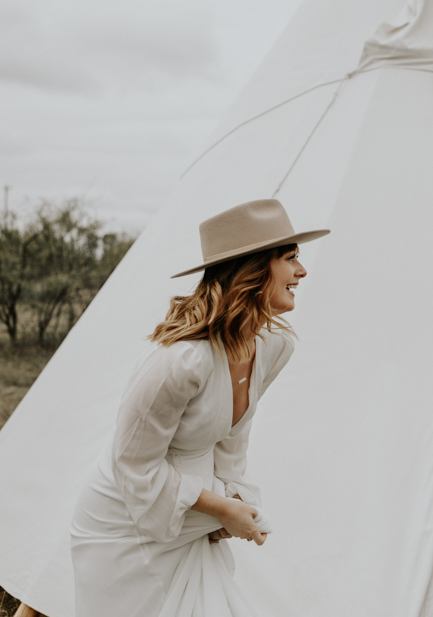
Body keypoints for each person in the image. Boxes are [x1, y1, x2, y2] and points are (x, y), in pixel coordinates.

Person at [70, 199, 329, 617]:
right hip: (125, 522)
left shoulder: (273, 347)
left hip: (192, 513)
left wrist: (233, 497)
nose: (302, 271)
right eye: (291, 258)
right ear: (253, 269)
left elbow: (232, 438)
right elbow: (133, 465)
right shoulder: (178, 362)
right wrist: (222, 507)